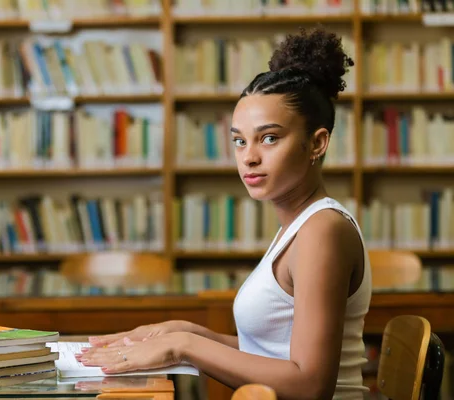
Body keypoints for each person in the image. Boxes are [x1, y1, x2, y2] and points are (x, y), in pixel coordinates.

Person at [76, 26, 371, 400]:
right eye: (238, 140)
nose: (248, 156)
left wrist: (184, 346)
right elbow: (273, 355)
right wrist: (189, 332)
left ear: (317, 143)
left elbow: (310, 385)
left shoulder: (322, 231)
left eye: (269, 138)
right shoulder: (300, 226)